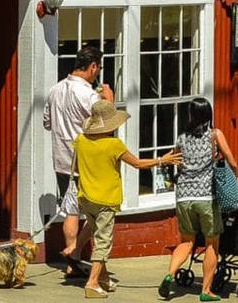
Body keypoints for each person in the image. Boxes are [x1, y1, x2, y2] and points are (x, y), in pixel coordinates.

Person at [71, 99, 181, 298]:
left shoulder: (80, 140)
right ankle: (92, 282)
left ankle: (102, 278)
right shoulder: (114, 144)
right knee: (103, 242)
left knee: (97, 235)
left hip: (86, 197)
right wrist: (161, 160)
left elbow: (76, 169)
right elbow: (137, 164)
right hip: (106, 199)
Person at [161, 97, 238, 302]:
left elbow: (176, 161)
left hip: (183, 197)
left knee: (187, 241)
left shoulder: (181, 138)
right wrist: (235, 177)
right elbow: (231, 159)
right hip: (206, 197)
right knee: (212, 243)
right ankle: (206, 291)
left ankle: (170, 273)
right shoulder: (214, 135)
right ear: (208, 115)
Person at [46, 45, 114, 277]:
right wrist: (109, 100)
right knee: (98, 210)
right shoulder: (88, 94)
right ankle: (76, 258)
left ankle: (72, 262)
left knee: (70, 210)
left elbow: (47, 123)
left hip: (61, 158)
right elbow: (107, 124)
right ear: (93, 66)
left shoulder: (55, 90)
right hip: (85, 160)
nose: (98, 73)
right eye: (98, 68)